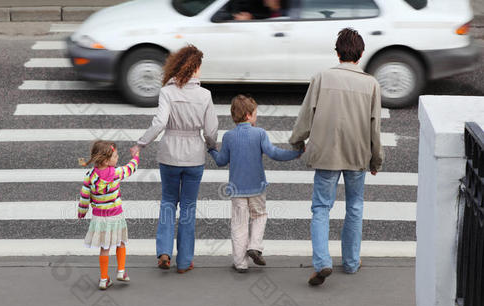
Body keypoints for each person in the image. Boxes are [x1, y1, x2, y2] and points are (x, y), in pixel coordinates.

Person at [289, 28, 383, 287]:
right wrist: (376, 160)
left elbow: (306, 116)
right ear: (361, 54)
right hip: (357, 154)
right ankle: (351, 263)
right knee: (354, 206)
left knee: (321, 208)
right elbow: (375, 126)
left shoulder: (321, 78)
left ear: (337, 52)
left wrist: (297, 141)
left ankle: (322, 262)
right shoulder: (371, 84)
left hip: (327, 154)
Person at [132, 45, 218, 274]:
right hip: (194, 157)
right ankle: (184, 261)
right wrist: (211, 147)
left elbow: (159, 123)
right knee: (188, 208)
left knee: (168, 202)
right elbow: (210, 131)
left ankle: (164, 252)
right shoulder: (205, 95)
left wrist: (141, 143)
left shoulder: (167, 92)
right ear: (196, 68)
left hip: (169, 154)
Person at [209, 95, 302, 272]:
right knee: (259, 216)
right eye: (255, 113)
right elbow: (273, 153)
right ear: (248, 115)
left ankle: (240, 263)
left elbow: (221, 161)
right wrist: (294, 154)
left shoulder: (229, 136)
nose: (256, 116)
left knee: (239, 224)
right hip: (257, 187)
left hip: (236, 189)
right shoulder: (259, 133)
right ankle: (255, 246)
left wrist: (211, 149)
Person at [78, 141, 140, 290]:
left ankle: (104, 279)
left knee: (104, 248)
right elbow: (130, 168)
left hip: (100, 218)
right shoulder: (116, 173)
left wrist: (82, 212)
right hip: (116, 215)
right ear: (106, 161)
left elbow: (84, 197)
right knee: (121, 242)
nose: (118, 158)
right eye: (116, 155)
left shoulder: (90, 177)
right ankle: (121, 271)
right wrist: (135, 157)